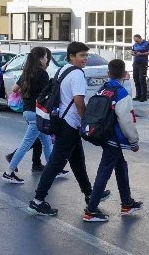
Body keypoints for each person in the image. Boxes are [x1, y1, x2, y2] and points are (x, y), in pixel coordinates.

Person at [28, 42, 109, 218]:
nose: (85, 59)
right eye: (82, 56)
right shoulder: (78, 74)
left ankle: (90, 195)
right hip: (70, 124)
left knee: (78, 161)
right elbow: (79, 101)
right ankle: (38, 200)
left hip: (63, 122)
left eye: (86, 55)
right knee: (56, 163)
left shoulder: (62, 70)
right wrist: (86, 120)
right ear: (72, 56)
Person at [84, 59, 143, 222]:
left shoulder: (103, 89)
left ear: (108, 74)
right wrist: (134, 141)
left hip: (102, 135)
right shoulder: (122, 93)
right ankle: (91, 210)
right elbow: (126, 120)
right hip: (114, 139)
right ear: (125, 75)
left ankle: (127, 203)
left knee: (120, 166)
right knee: (104, 172)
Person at [2, 47, 54, 184]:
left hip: (27, 111)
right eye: (45, 57)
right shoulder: (42, 74)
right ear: (40, 59)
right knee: (26, 144)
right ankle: (9, 172)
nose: (47, 60)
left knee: (46, 141)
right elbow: (45, 96)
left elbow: (14, 89)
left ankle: (53, 169)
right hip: (36, 113)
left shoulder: (26, 73)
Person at [131, 34, 149, 102]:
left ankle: (143, 96)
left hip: (142, 64)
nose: (136, 42)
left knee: (142, 80)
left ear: (140, 38)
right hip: (135, 63)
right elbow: (132, 52)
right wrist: (134, 53)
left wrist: (141, 54)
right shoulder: (135, 44)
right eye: (135, 41)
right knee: (136, 79)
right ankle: (138, 95)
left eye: (137, 41)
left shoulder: (146, 43)